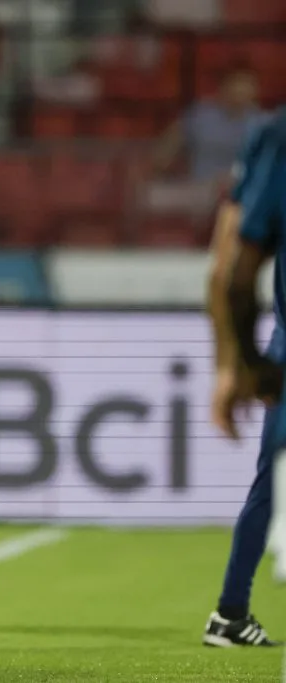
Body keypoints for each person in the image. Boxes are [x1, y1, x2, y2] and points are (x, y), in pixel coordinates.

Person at [203, 113, 285, 647]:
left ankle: (231, 611)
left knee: (270, 482)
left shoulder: (273, 136)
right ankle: (230, 611)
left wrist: (236, 363)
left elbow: (230, 265)